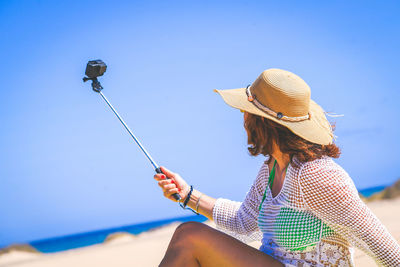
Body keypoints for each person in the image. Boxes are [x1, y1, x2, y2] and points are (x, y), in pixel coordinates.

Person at [153, 69, 400, 266]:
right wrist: (187, 195)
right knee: (187, 237)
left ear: (262, 122)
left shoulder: (319, 175)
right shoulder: (271, 169)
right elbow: (244, 222)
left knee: (189, 236)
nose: (242, 116)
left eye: (246, 111)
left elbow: (387, 253)